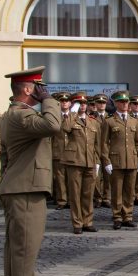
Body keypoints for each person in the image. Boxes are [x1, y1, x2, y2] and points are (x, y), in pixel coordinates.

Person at [0, 66, 61, 276]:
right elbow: (53, 125)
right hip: (25, 188)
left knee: (19, 249)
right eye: (38, 87)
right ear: (27, 89)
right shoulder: (20, 115)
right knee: (24, 250)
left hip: (19, 186)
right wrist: (49, 100)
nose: (41, 91)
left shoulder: (12, 115)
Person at [101, 90, 138, 230]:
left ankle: (128, 216)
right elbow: (104, 143)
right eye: (121, 102)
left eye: (126, 102)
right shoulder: (109, 121)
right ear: (116, 103)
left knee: (129, 191)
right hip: (116, 161)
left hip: (131, 160)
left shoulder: (134, 121)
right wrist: (106, 161)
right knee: (117, 191)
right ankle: (117, 217)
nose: (125, 104)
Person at [62, 92, 100, 234]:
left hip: (90, 161)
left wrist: (97, 162)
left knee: (88, 194)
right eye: (79, 103)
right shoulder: (71, 119)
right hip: (75, 161)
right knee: (75, 194)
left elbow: (97, 144)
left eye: (84, 103)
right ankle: (77, 223)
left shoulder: (93, 121)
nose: (82, 106)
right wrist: (72, 112)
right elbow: (65, 128)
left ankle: (87, 222)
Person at [51, 92, 72, 211]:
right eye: (62, 101)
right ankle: (62, 200)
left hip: (71, 152)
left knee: (72, 178)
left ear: (70, 103)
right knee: (59, 178)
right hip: (57, 151)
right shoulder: (54, 117)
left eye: (66, 101)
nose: (64, 103)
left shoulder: (74, 117)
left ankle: (71, 200)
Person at [92, 93, 111, 208]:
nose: (102, 104)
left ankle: (106, 197)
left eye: (103, 102)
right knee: (96, 176)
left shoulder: (111, 117)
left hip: (108, 151)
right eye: (99, 102)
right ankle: (97, 198)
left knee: (108, 176)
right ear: (95, 104)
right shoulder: (91, 118)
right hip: (96, 149)